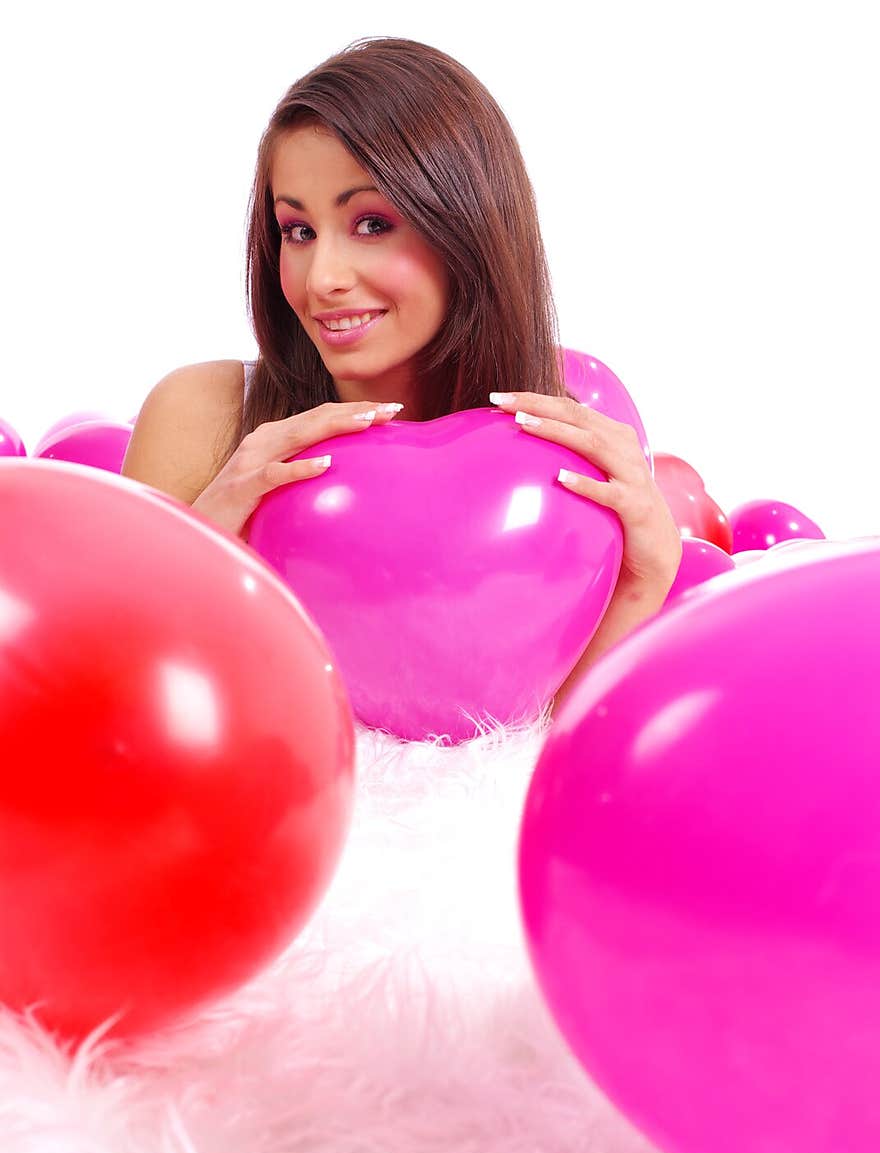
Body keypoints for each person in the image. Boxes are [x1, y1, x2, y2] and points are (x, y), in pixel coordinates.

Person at [122, 36, 681, 717]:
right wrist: (205, 549)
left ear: (467, 231)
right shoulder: (203, 416)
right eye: (297, 230)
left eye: (371, 222)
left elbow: (539, 751)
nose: (321, 278)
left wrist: (645, 579)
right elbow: (116, 700)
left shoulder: (575, 430)